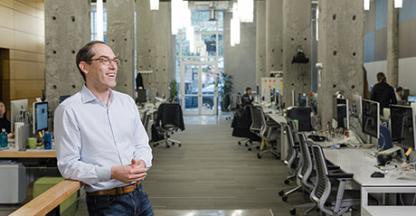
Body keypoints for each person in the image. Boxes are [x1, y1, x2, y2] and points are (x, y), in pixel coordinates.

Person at [54, 41, 153, 216]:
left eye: (115, 60)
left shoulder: (126, 102)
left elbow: (142, 145)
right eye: (104, 60)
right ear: (84, 67)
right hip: (106, 203)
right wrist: (111, 173)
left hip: (140, 196)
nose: (113, 65)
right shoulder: (69, 110)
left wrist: (142, 162)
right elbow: (68, 166)